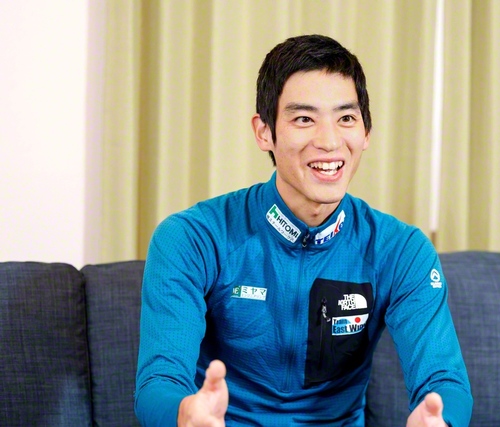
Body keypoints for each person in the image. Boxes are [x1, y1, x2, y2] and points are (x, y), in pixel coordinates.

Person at [135, 34, 472, 427]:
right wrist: (184, 415)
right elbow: (159, 382)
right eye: (304, 119)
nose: (329, 141)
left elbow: (444, 380)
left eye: (346, 118)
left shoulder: (401, 250)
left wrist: (441, 421)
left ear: (366, 132)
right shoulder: (192, 238)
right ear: (264, 132)